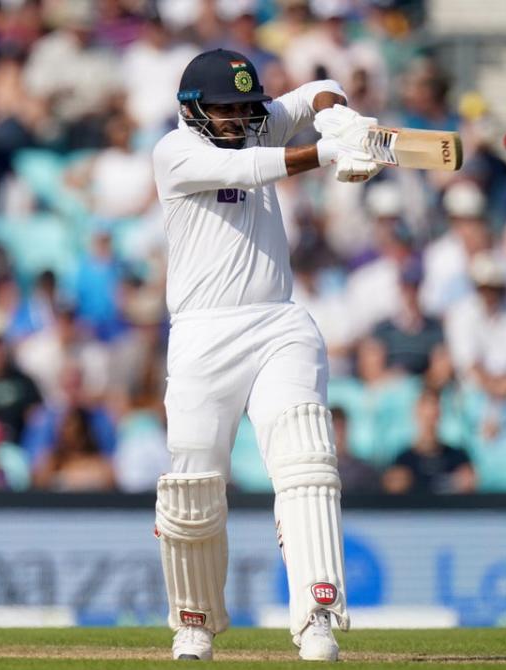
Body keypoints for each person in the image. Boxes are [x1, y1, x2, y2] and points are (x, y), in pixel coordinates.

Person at [152, 48, 381, 662]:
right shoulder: (175, 152)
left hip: (280, 323)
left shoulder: (255, 123)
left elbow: (320, 89)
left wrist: (339, 119)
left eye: (245, 108)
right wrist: (327, 152)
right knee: (193, 484)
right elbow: (256, 168)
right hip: (203, 336)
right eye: (224, 108)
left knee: (307, 465)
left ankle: (318, 618)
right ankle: (193, 621)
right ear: (193, 109)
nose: (237, 118)